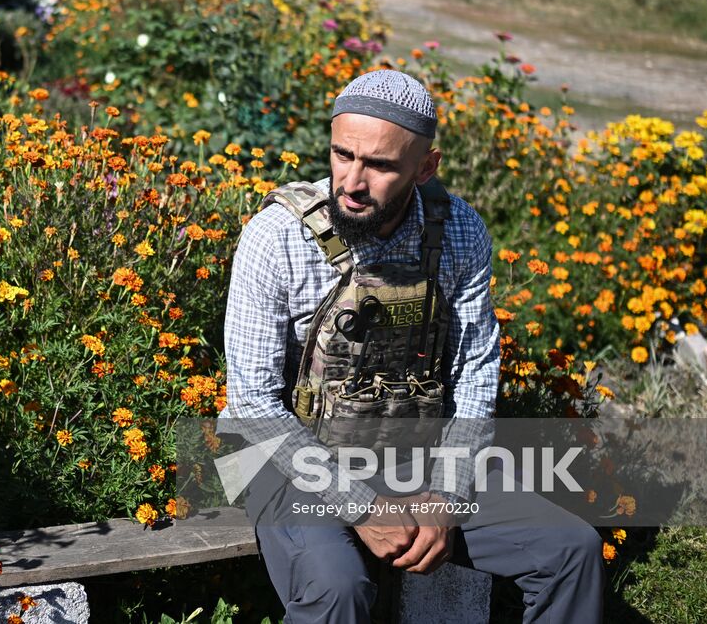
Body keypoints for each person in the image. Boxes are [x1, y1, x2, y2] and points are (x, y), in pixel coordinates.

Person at [219, 69, 605, 623]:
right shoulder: (275, 236)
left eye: (379, 165)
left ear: (426, 167)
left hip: (412, 452)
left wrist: (445, 497)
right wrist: (361, 506)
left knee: (571, 549)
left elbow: (475, 371)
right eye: (342, 154)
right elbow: (253, 404)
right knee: (337, 588)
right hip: (284, 458)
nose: (352, 182)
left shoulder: (459, 232)